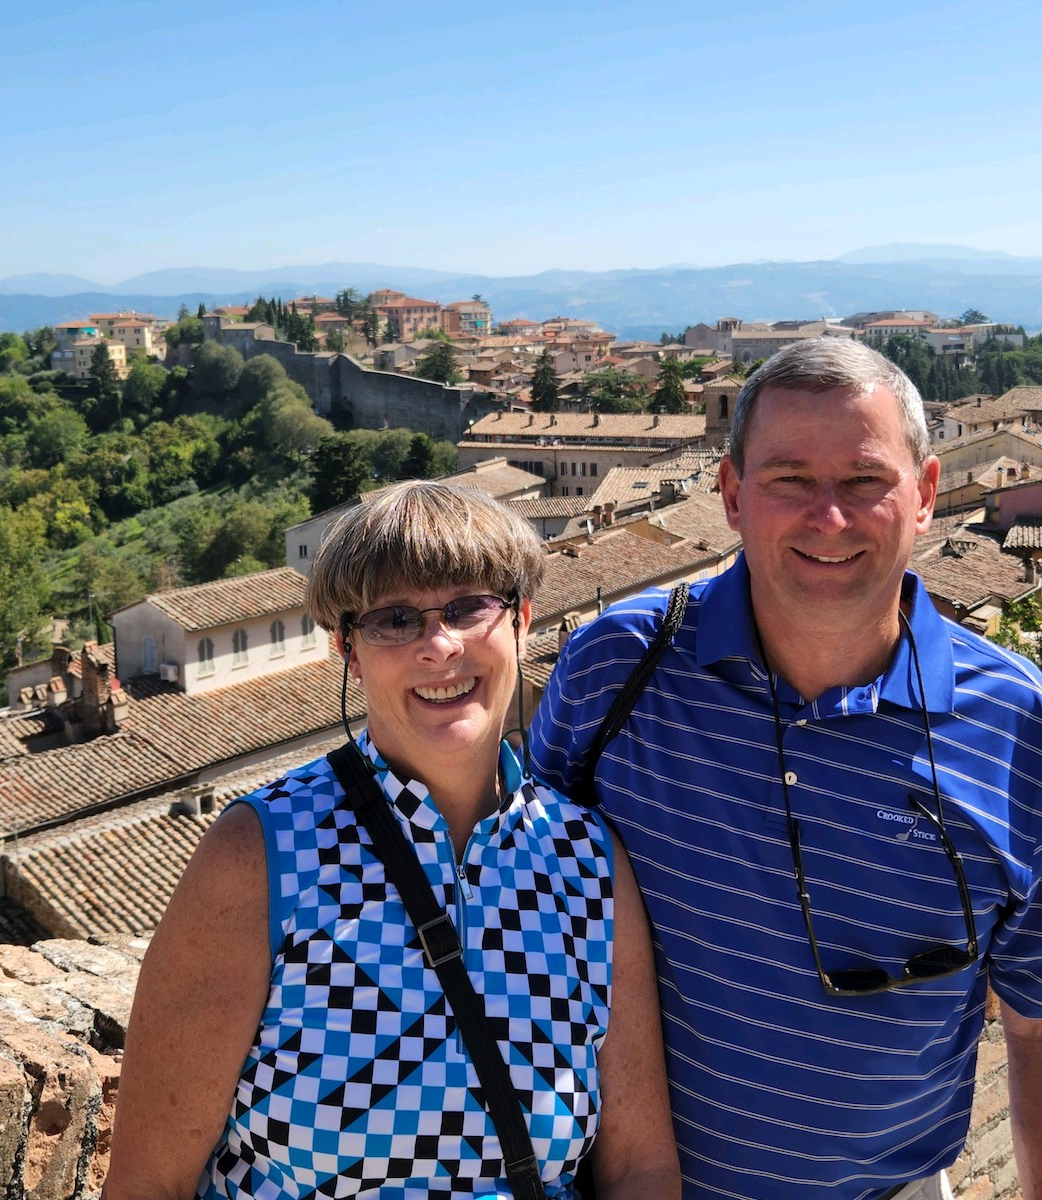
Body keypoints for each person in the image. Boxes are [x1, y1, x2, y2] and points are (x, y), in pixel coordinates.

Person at [530, 337, 1042, 1200]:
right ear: (733, 496)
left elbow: (1033, 1029)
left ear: (922, 496)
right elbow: (519, 907)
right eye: (790, 480)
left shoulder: (1018, 723)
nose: (829, 519)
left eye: (864, 481)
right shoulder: (617, 670)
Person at [103, 481, 680, 1200]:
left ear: (523, 618)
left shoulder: (587, 864)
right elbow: (146, 1183)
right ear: (348, 650)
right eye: (395, 620)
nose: (440, 646)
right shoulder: (261, 855)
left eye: (470, 606)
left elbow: (639, 1169)